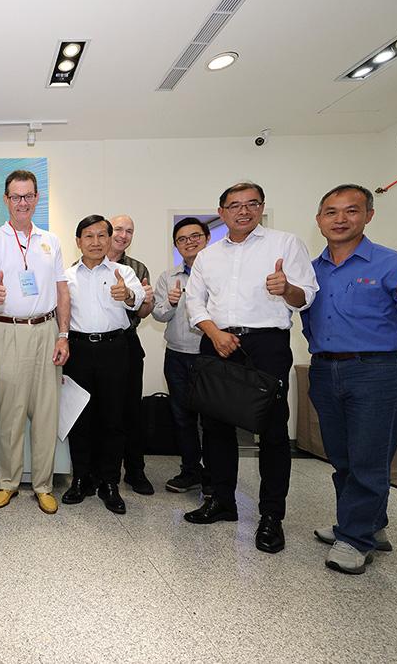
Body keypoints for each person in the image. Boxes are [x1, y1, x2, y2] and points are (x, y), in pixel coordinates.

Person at [303, 184, 397, 573]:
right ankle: (368, 524)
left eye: (351, 210)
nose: (340, 219)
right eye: (331, 212)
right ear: (319, 220)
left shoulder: (395, 265)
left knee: (369, 459)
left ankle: (355, 538)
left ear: (368, 215)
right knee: (342, 458)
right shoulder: (310, 271)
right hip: (324, 369)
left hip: (376, 371)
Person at [183, 181, 318, 554]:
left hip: (266, 344)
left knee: (272, 432)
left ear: (261, 207)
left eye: (251, 204)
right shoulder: (208, 256)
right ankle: (222, 500)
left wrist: (286, 288)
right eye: (234, 205)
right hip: (217, 341)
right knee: (215, 426)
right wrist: (214, 334)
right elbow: (195, 302)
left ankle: (271, 516)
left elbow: (306, 297)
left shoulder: (285, 244)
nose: (243, 211)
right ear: (222, 212)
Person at [0, 170, 70, 515]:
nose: (22, 202)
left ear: (36, 198)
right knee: (12, 412)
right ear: (6, 200)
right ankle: (8, 482)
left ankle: (43, 486)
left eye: (28, 195)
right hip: (7, 330)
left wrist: (63, 335)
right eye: (16, 196)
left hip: (46, 330)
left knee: (46, 412)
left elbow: (62, 290)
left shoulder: (50, 241)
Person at [61, 216, 145, 514]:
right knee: (80, 417)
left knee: (113, 418)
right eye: (88, 236)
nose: (95, 242)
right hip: (78, 350)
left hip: (114, 349)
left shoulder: (124, 272)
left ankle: (110, 482)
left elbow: (138, 301)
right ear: (78, 241)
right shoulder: (66, 276)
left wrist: (128, 295)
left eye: (101, 236)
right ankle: (81, 479)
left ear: (109, 240)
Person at [152, 217, 211, 494]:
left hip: (209, 356)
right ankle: (190, 470)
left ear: (207, 238)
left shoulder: (217, 272)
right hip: (176, 355)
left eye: (195, 236)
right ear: (176, 245)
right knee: (182, 416)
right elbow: (158, 314)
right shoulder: (169, 277)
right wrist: (171, 302)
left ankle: (214, 475)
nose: (189, 242)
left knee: (212, 419)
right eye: (182, 239)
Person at [107, 215, 156, 495]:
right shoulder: (84, 264)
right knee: (98, 410)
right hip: (92, 346)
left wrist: (146, 301)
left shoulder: (137, 268)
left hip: (126, 343)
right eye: (118, 229)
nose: (123, 235)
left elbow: (143, 312)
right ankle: (100, 471)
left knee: (131, 410)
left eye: (129, 231)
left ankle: (135, 470)